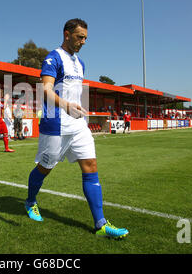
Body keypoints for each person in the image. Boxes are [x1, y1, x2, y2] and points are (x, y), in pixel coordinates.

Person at [24, 18, 128, 240]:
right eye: (80, 37)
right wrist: (66, 105)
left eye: (85, 38)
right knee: (45, 167)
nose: (83, 42)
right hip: (55, 123)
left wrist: (76, 108)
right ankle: (30, 202)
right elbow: (46, 90)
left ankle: (100, 223)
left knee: (90, 166)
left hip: (78, 124)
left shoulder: (81, 63)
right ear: (67, 34)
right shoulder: (53, 58)